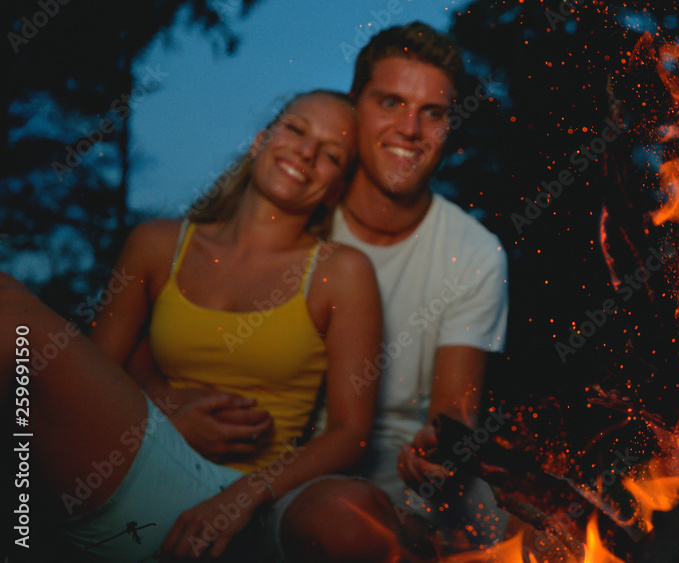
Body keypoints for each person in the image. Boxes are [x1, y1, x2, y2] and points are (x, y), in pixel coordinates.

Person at [6, 89, 385, 561]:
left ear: (335, 187)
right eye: (296, 129)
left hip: (256, 494)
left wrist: (241, 497)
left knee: (351, 515)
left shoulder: (341, 272)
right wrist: (162, 408)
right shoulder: (157, 245)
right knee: (9, 311)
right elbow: (91, 373)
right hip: (138, 464)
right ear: (260, 140)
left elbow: (351, 433)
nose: (306, 153)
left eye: (330, 155)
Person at [275, 22, 510, 560]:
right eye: (391, 102)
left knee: (548, 532)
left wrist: (441, 454)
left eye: (433, 113)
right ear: (355, 108)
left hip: (405, 469)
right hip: (300, 462)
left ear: (450, 128)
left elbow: (455, 409)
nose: (411, 129)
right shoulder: (300, 215)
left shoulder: (474, 250)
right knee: (345, 521)